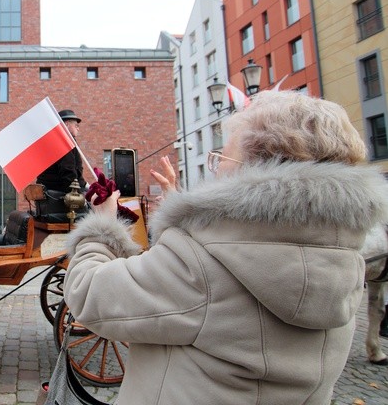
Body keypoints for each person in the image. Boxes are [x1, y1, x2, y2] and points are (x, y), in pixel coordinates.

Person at [63, 91, 388, 404]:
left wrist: (102, 223)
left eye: (222, 158)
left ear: (254, 172)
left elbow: (88, 293)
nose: (216, 169)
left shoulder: (201, 264)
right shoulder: (348, 258)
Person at [36, 109, 87, 193]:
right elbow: (68, 171)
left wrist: (85, 185)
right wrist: (79, 192)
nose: (78, 129)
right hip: (61, 194)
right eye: (76, 125)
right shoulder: (64, 142)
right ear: (66, 125)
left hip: (48, 194)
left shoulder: (51, 141)